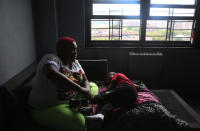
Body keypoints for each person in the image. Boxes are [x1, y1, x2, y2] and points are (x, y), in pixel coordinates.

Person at [28, 37, 97, 131]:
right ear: (60, 50)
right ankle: (82, 112)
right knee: (78, 122)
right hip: (48, 107)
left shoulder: (75, 63)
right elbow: (52, 74)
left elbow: (85, 79)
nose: (75, 52)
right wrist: (81, 90)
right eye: (71, 49)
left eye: (76, 49)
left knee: (93, 86)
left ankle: (80, 107)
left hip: (70, 100)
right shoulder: (51, 58)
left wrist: (87, 90)